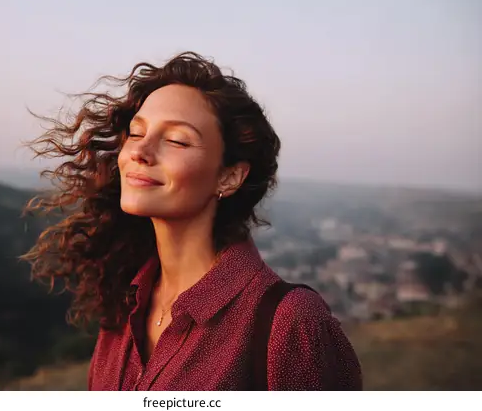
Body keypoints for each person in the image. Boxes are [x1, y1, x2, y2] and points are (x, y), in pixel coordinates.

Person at [22, 52, 362, 390]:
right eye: (136, 133)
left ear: (229, 177)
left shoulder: (291, 323)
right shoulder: (125, 307)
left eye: (176, 140)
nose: (140, 152)